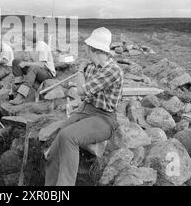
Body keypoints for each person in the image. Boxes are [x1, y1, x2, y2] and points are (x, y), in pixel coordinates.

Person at [45, 27, 124, 186]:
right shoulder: (93, 66)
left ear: (94, 50)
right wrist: (69, 84)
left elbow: (82, 90)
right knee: (53, 150)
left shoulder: (113, 70)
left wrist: (80, 70)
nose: (85, 51)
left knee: (69, 136)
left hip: (104, 118)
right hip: (86, 109)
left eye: (87, 48)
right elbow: (78, 87)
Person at [10, 31, 56, 105]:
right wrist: (26, 59)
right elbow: (27, 60)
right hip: (35, 69)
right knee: (16, 61)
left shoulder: (42, 46)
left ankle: (20, 97)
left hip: (47, 73)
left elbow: (42, 65)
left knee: (33, 68)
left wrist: (27, 63)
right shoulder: (29, 46)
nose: (23, 41)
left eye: (25, 39)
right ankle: (18, 86)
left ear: (31, 40)